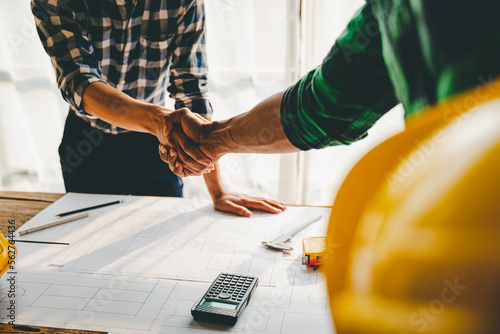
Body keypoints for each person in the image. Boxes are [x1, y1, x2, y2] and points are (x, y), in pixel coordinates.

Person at [158, 1, 500, 175]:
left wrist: (208, 142)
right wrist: (211, 140)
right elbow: (320, 107)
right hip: (456, 229)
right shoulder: (391, 9)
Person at [31, 0, 285, 217]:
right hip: (87, 145)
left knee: (157, 243)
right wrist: (160, 120)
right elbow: (79, 80)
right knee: (83, 244)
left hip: (158, 146)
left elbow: (191, 88)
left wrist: (218, 191)